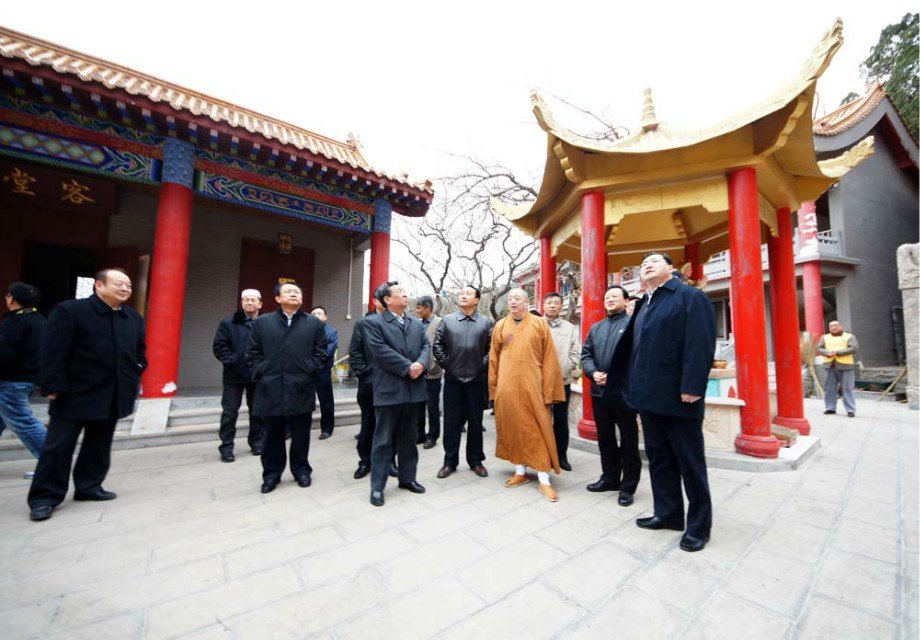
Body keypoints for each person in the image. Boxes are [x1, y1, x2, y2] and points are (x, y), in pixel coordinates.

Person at [27, 268, 146, 522]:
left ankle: (89, 486)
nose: (125, 288)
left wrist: (137, 369)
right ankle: (45, 497)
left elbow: (139, 351)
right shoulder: (71, 311)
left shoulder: (132, 317)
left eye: (128, 285)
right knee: (58, 447)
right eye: (118, 284)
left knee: (99, 445)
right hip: (74, 393)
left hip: (112, 394)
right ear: (99, 286)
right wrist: (51, 386)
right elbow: (52, 351)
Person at [621, 252, 716, 552]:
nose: (646, 265)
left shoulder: (689, 297)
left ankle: (699, 526)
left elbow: (701, 343)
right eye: (643, 264)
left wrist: (692, 386)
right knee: (659, 460)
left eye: (654, 261)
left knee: (690, 463)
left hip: (680, 397)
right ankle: (668, 513)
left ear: (671, 269)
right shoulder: (644, 304)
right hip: (649, 398)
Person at [247, 283, 327, 494]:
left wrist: (309, 370)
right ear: (277, 298)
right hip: (271, 386)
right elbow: (252, 353)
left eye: (298, 291)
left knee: (301, 433)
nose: (294, 294)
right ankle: (272, 474)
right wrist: (262, 371)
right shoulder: (263, 323)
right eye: (288, 291)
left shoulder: (313, 324)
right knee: (272, 434)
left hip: (301, 386)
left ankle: (301, 470)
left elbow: (321, 353)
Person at [489, 288, 565, 502]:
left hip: (533, 385)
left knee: (538, 429)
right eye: (510, 299)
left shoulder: (540, 324)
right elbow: (493, 358)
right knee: (513, 427)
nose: (513, 302)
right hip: (508, 385)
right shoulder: (500, 325)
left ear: (527, 301)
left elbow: (550, 358)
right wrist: (494, 388)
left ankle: (544, 480)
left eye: (517, 298)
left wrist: (549, 389)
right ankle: (520, 472)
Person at [363, 281, 429, 507]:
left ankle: (407, 478)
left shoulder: (415, 323)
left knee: (409, 439)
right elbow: (380, 352)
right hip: (389, 390)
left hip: (413, 390)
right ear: (387, 299)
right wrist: (408, 367)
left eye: (405, 292)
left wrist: (420, 363)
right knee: (382, 440)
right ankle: (377, 487)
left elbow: (426, 347)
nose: (405, 295)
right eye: (400, 292)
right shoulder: (374, 323)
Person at [580, 285, 640, 506]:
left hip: (623, 393)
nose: (610, 299)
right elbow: (586, 354)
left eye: (615, 296)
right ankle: (610, 477)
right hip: (599, 393)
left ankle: (628, 486)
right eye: (607, 297)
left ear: (626, 301)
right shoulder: (596, 328)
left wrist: (614, 377)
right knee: (605, 438)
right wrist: (593, 372)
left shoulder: (633, 326)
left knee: (628, 440)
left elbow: (637, 359)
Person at [432, 285, 492, 479]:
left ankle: (476, 460)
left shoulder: (486, 322)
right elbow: (438, 346)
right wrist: (449, 367)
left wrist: (479, 368)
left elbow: (491, 350)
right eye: (461, 293)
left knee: (476, 422)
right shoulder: (447, 321)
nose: (463, 296)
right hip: (452, 381)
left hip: (477, 380)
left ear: (477, 299)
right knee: (451, 423)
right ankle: (450, 462)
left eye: (468, 293)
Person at [0, 282, 48, 473]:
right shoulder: (39, 320)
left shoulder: (14, 322)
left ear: (12, 299)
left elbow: (4, 354)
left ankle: (52, 463)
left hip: (11, 380)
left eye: (8, 295)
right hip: (27, 379)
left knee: (24, 423)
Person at [212, 289, 264, 462]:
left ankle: (256, 442)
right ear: (241, 303)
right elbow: (219, 347)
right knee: (229, 412)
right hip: (233, 376)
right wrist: (234, 360)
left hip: (257, 375)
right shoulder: (228, 323)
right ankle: (226, 447)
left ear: (260, 304)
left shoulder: (265, 324)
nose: (249, 302)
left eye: (253, 300)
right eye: (246, 300)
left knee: (257, 411)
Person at [543, 291, 579, 471]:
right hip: (538, 382)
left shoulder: (569, 327)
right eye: (549, 302)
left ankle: (561, 455)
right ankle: (541, 454)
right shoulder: (535, 325)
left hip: (562, 381)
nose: (552, 305)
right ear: (543, 305)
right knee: (540, 419)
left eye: (556, 303)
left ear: (561, 306)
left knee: (561, 420)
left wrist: (567, 365)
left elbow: (575, 351)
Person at [415, 296, 443, 449]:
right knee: (418, 405)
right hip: (417, 373)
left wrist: (435, 366)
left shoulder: (440, 323)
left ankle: (433, 436)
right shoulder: (417, 324)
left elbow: (442, 347)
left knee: (432, 406)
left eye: (419, 308)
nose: (417, 311)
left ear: (428, 308)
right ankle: (419, 434)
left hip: (433, 372)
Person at [817, 321, 859, 417]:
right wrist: (827, 352)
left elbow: (854, 348)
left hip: (846, 365)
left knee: (847, 388)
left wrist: (838, 352)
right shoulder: (825, 337)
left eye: (836, 326)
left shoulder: (849, 336)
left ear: (840, 326)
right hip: (829, 365)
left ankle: (850, 410)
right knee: (829, 388)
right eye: (831, 326)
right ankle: (830, 408)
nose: (834, 328)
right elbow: (819, 348)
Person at [310, 306, 338, 439]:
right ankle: (289, 429)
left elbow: (327, 352)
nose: (316, 315)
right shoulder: (303, 331)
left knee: (326, 401)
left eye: (319, 313)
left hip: (322, 370)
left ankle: (327, 428)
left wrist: (308, 359)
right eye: (313, 313)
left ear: (325, 317)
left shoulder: (332, 332)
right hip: (305, 371)